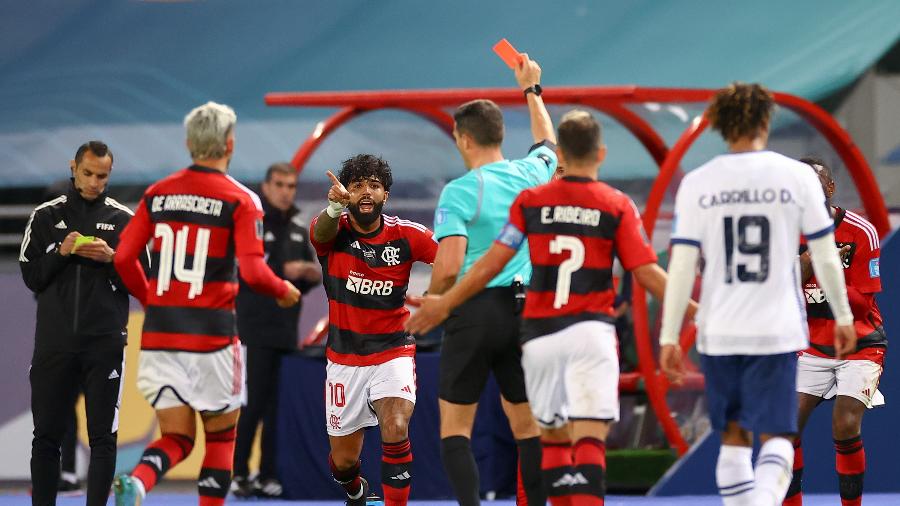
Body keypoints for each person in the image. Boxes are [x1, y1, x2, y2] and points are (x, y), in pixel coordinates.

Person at [407, 110, 693, 505]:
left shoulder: (530, 200)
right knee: (574, 436)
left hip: (534, 331)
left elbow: (487, 262)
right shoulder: (606, 200)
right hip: (576, 327)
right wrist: (694, 309)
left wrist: (444, 301)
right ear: (601, 153)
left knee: (514, 433)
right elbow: (646, 273)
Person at [658, 83, 857, 506]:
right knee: (778, 437)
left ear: (720, 126)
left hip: (720, 329)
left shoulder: (698, 183)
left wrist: (669, 336)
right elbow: (823, 253)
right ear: (766, 121)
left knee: (732, 438)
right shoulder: (798, 176)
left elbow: (680, 266)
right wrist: (842, 315)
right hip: (776, 327)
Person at [112, 102, 300, 506]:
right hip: (212, 340)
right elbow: (253, 273)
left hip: (161, 338)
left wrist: (152, 299)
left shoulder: (157, 194)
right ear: (229, 144)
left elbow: (123, 258)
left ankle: (141, 482)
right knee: (220, 438)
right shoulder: (241, 200)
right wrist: (283, 289)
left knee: (177, 437)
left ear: (189, 143)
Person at [426, 53, 554, 506]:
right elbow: (548, 142)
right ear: (501, 135)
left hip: (474, 308)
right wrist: (531, 89)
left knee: (455, 428)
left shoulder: (460, 190)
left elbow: (447, 264)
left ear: (462, 139)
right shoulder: (531, 174)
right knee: (527, 425)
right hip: (524, 311)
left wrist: (433, 301)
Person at [20, 141, 143, 506]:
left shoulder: (124, 220)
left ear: (110, 174)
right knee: (45, 436)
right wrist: (61, 251)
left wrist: (113, 258)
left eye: (102, 176)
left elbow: (143, 282)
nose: (93, 182)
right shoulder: (45, 216)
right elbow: (32, 277)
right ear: (73, 167)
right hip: (54, 344)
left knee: (103, 438)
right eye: (87, 173)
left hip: (104, 344)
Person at [310, 154, 437, 506]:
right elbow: (318, 233)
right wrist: (333, 210)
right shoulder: (332, 231)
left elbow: (452, 259)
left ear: (386, 196)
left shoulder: (409, 236)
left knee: (396, 427)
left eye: (374, 186)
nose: (366, 192)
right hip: (344, 359)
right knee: (344, 462)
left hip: (392, 351)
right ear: (346, 194)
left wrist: (438, 296)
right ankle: (356, 492)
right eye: (357, 185)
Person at [783, 158, 887, 506]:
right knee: (785, 431)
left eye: (816, 184)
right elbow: (785, 289)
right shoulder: (784, 231)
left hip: (860, 345)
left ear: (830, 189)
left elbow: (860, 304)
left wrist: (830, 275)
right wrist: (815, 259)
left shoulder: (861, 231)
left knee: (844, 425)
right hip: (811, 347)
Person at [232, 162, 321, 499]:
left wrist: (309, 276)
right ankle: (239, 473)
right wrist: (284, 269)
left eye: (292, 186)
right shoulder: (251, 222)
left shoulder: (299, 228)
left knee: (275, 409)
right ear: (266, 187)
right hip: (253, 331)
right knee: (251, 406)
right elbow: (242, 270)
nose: (286, 191)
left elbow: (301, 282)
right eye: (280, 185)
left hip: (286, 332)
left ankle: (268, 473)